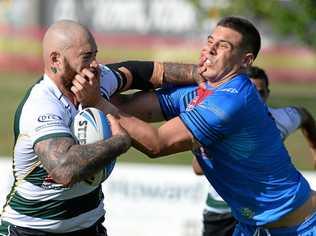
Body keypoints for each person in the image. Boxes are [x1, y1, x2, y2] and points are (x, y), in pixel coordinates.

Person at [93, 16, 316, 235]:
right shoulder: (198, 92)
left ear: (245, 61)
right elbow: (128, 106)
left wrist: (94, 100)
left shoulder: (232, 100)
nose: (210, 49)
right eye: (210, 42)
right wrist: (91, 82)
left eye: (223, 46)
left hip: (302, 227)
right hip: (251, 228)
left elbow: (157, 144)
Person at [0, 20, 200, 236]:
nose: (95, 64)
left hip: (90, 226)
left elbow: (147, 72)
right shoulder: (41, 105)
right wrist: (119, 142)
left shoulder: (93, 79)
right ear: (55, 59)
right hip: (29, 230)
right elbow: (64, 170)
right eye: (86, 57)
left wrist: (202, 75)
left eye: (95, 55)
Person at [191, 65, 316, 236]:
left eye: (261, 93)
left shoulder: (281, 119)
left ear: (268, 94)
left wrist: (313, 148)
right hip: (224, 207)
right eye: (250, 91)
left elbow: (305, 116)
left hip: (266, 208)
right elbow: (198, 169)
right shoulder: (220, 122)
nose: (255, 98)